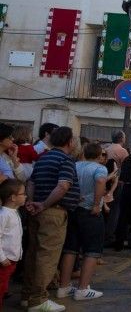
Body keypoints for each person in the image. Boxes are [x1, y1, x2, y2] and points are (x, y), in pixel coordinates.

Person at [23, 126, 80, 312]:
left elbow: (31, 181)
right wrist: (45, 204)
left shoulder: (43, 158)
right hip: (53, 212)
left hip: (37, 212)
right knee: (47, 257)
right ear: (69, 141)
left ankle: (27, 295)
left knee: (33, 254)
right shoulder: (66, 160)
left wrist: (32, 202)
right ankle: (38, 300)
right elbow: (63, 186)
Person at [58, 143, 107, 301]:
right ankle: (82, 288)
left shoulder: (75, 165)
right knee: (92, 250)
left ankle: (63, 286)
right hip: (90, 212)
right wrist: (96, 204)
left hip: (73, 210)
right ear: (99, 156)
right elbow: (100, 182)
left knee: (70, 248)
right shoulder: (100, 168)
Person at [0, 179, 25, 310]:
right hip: (4, 259)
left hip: (11, 259)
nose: (25, 196)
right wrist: (2, 257)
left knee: (3, 286)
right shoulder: (4, 215)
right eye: (23, 194)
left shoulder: (14, 212)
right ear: (13, 197)